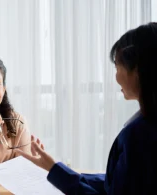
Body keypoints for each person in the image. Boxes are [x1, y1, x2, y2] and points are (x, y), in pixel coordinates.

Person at [17, 22, 157, 194]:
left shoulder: (139, 135)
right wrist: (55, 169)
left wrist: (57, 172)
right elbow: (116, 182)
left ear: (137, 69)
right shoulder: (145, 124)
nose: (116, 76)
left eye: (117, 67)